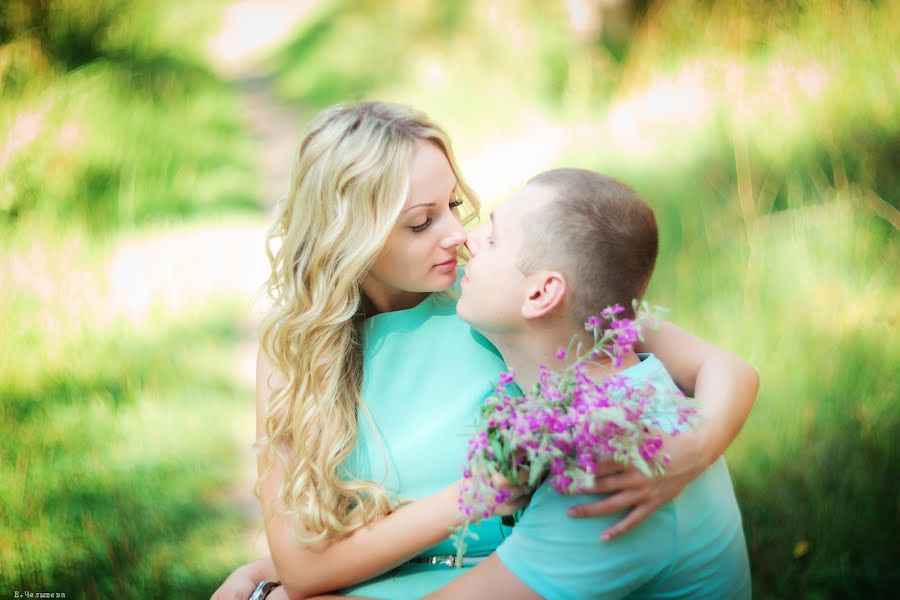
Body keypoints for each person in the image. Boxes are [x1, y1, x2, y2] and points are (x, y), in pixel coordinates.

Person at [210, 101, 759, 600]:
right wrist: (269, 571)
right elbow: (305, 568)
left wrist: (694, 448)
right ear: (349, 237)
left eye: (453, 204)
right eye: (422, 222)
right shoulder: (296, 354)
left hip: (519, 576)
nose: (458, 234)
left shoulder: (501, 300)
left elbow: (722, 367)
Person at [422, 168, 751, 599]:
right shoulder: (613, 356)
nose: (469, 238)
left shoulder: (607, 470)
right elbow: (729, 367)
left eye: (495, 238)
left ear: (541, 295)